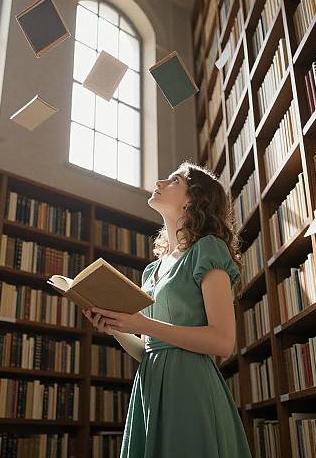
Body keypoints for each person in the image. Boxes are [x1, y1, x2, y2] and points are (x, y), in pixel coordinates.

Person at [82, 161, 252, 457]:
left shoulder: (208, 249)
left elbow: (223, 341)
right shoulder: (152, 271)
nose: (159, 182)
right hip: (150, 387)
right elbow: (148, 350)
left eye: (173, 180)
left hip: (191, 388)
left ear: (193, 199)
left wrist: (142, 325)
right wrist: (116, 327)